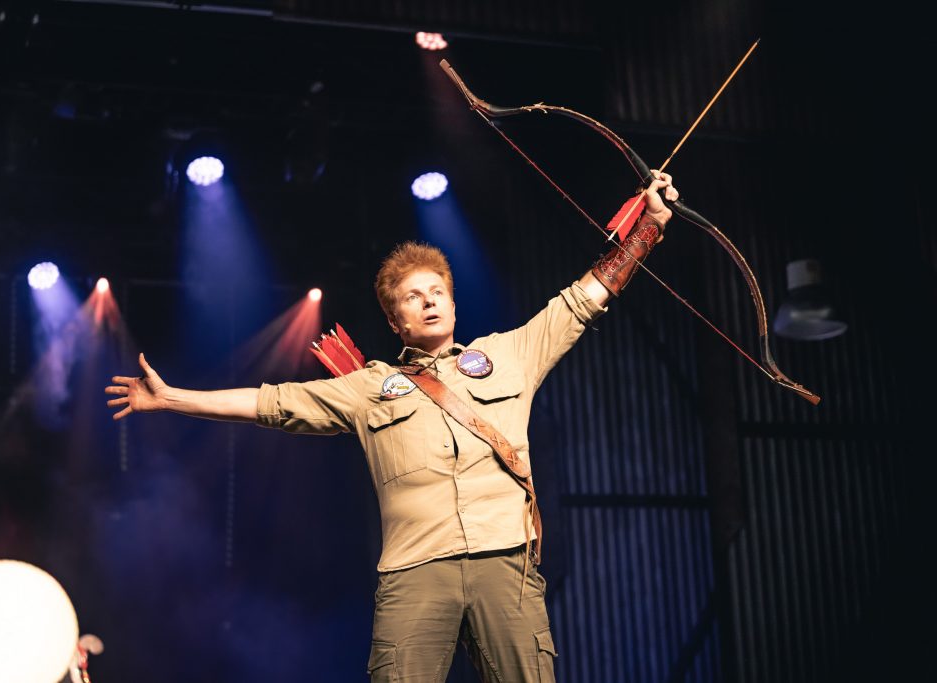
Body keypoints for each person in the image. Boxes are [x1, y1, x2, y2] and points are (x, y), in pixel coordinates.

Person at [106, 173, 679, 681]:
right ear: (394, 319)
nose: (429, 303)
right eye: (413, 297)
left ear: (453, 304)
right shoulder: (369, 387)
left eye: (438, 293)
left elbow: (583, 299)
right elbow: (272, 403)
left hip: (503, 561)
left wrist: (647, 229)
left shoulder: (509, 355)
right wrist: (173, 398)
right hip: (414, 571)